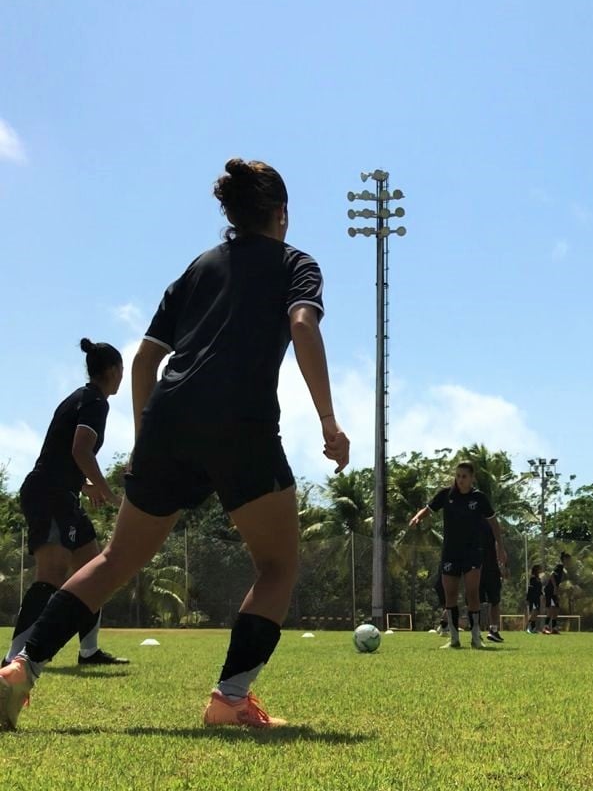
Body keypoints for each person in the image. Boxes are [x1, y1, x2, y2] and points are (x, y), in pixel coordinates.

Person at [0, 158, 350, 731]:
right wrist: (330, 421)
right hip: (240, 421)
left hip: (168, 416)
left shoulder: (200, 266)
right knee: (277, 564)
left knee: (115, 560)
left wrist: (145, 438)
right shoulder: (295, 262)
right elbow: (304, 326)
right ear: (281, 214)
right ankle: (230, 700)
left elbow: (145, 357)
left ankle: (18, 668)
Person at [3, 339, 129, 669]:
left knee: (94, 571)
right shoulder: (95, 402)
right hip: (49, 494)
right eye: (122, 371)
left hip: (62, 494)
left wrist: (84, 485)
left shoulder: (81, 398)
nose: (122, 378)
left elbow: (64, 455)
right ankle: (12, 660)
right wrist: (107, 490)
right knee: (52, 575)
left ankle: (89, 652)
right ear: (114, 370)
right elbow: (80, 450)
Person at [409, 461, 506, 649]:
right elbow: (428, 509)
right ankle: (453, 638)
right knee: (450, 595)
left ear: (472, 478)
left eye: (464, 476)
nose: (460, 480)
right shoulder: (446, 495)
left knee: (472, 594)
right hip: (450, 552)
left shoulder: (479, 498)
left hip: (472, 552)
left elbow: (494, 523)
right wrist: (417, 517)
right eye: (458, 476)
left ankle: (476, 637)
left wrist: (500, 548)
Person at [479, 519, 508, 643]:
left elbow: (502, 556)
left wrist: (504, 568)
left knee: (494, 601)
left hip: (491, 570)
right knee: (475, 601)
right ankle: (477, 630)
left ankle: (493, 630)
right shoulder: (476, 531)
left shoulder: (496, 541)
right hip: (477, 569)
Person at [542, 553, 571, 634]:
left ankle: (554, 628)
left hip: (554, 591)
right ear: (564, 559)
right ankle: (545, 627)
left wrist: (557, 590)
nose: (569, 561)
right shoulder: (559, 566)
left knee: (556, 609)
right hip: (550, 590)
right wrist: (555, 587)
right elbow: (551, 575)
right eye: (568, 559)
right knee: (551, 609)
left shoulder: (562, 568)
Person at [525, 563, 543, 634]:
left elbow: (539, 588)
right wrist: (527, 599)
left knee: (537, 612)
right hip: (533, 598)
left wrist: (542, 594)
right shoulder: (533, 578)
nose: (541, 570)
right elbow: (530, 589)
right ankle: (529, 626)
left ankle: (533, 628)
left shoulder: (538, 578)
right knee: (534, 612)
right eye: (539, 568)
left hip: (537, 597)